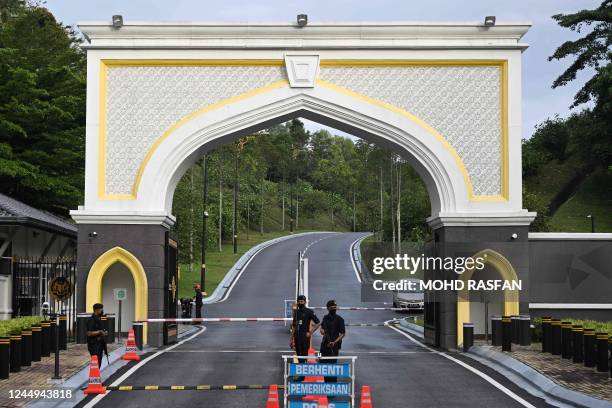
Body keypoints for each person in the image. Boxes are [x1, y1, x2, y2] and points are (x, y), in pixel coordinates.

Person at [320, 300, 345, 383]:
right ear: (328, 308)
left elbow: (342, 333)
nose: (334, 309)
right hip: (324, 345)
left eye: (335, 307)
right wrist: (321, 330)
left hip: (334, 347)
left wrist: (334, 342)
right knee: (324, 365)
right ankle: (326, 384)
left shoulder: (340, 319)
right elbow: (322, 328)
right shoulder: (325, 318)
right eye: (332, 307)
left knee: (332, 367)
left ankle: (332, 387)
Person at [291, 295, 320, 363]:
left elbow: (318, 323)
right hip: (297, 336)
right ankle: (300, 370)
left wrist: (310, 332)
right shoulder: (296, 312)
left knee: (304, 354)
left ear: (305, 302)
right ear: (297, 302)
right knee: (298, 354)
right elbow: (294, 326)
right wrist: (291, 338)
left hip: (305, 336)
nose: (301, 303)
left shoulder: (309, 311)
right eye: (299, 301)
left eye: (302, 301)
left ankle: (304, 367)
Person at [86, 303, 108, 369]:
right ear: (97, 310)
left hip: (100, 344)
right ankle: (94, 377)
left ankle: (96, 376)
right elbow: (89, 333)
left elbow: (100, 329)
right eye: (101, 309)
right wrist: (100, 332)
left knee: (99, 361)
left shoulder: (98, 319)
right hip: (94, 344)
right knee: (96, 362)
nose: (102, 311)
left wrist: (104, 332)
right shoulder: (91, 320)